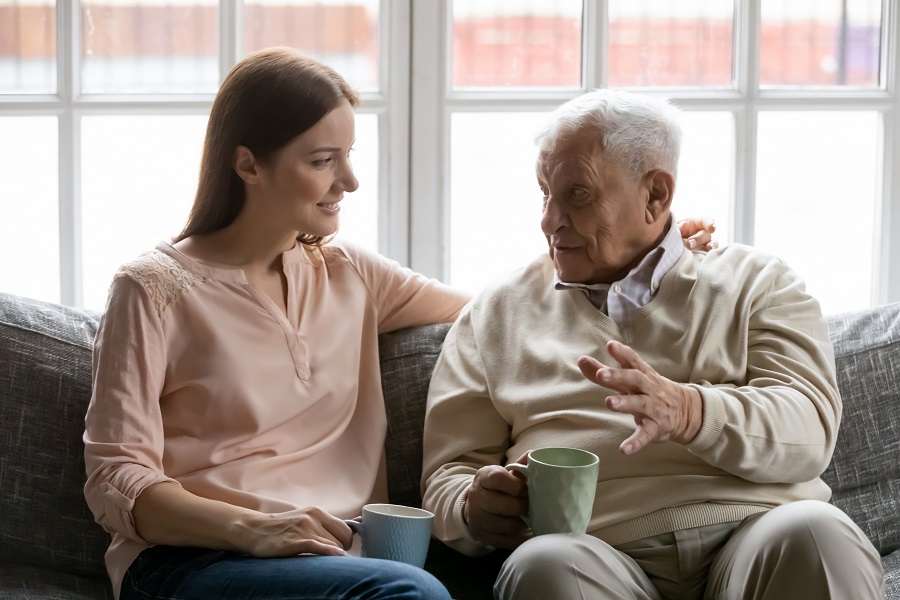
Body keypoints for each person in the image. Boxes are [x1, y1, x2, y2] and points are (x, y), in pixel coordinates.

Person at [83, 47, 716, 600]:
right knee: (405, 591)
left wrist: (645, 243)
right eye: (324, 160)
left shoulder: (349, 272)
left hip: (341, 561)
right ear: (248, 165)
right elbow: (117, 480)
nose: (350, 181)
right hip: (194, 565)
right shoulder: (150, 290)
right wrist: (254, 529)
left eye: (349, 156)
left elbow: (501, 309)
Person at [420, 88, 885, 599]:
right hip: (593, 555)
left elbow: (810, 429)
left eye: (577, 194)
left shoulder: (759, 283)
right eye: (544, 193)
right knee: (545, 563)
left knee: (819, 535)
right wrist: (472, 507)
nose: (550, 219)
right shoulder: (495, 312)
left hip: (756, 537)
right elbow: (448, 472)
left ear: (656, 195)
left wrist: (690, 410)